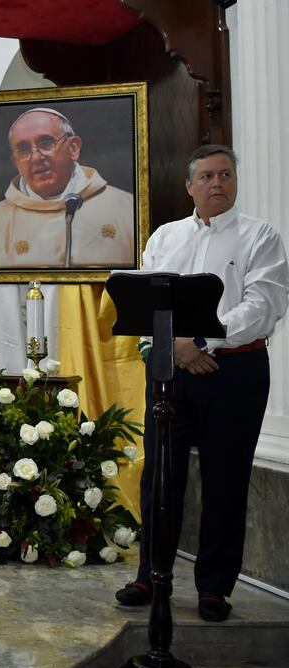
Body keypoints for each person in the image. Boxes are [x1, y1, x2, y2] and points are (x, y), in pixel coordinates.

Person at [114, 145, 287, 621]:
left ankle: (214, 587)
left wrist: (203, 343)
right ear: (189, 186)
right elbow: (143, 301)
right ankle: (150, 574)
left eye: (225, 175)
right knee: (160, 478)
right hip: (172, 372)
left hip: (235, 372)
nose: (217, 183)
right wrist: (176, 350)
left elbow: (263, 305)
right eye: (207, 176)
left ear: (235, 181)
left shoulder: (261, 237)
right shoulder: (165, 237)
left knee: (225, 480)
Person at [0, 107, 136, 269]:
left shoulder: (126, 207)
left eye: (46, 143)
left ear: (73, 148)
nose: (36, 157)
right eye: (24, 149)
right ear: (16, 162)